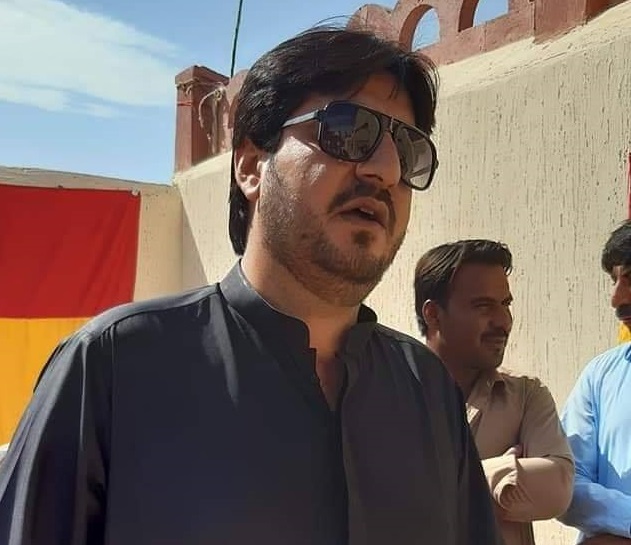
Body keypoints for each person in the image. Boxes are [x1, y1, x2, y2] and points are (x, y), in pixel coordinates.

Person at [0, 27, 501, 545]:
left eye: (408, 149)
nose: (387, 169)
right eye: (350, 129)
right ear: (250, 165)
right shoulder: (111, 368)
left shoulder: (429, 392)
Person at [414, 239, 574, 545]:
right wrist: (503, 476)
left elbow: (558, 488)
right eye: (483, 306)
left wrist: (437, 486)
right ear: (433, 314)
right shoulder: (390, 393)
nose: (504, 321)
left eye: (505, 304)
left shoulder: (526, 396)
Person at [559, 220, 631, 545]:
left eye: (630, 279)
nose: (616, 299)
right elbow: (567, 484)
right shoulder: (601, 375)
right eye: (614, 281)